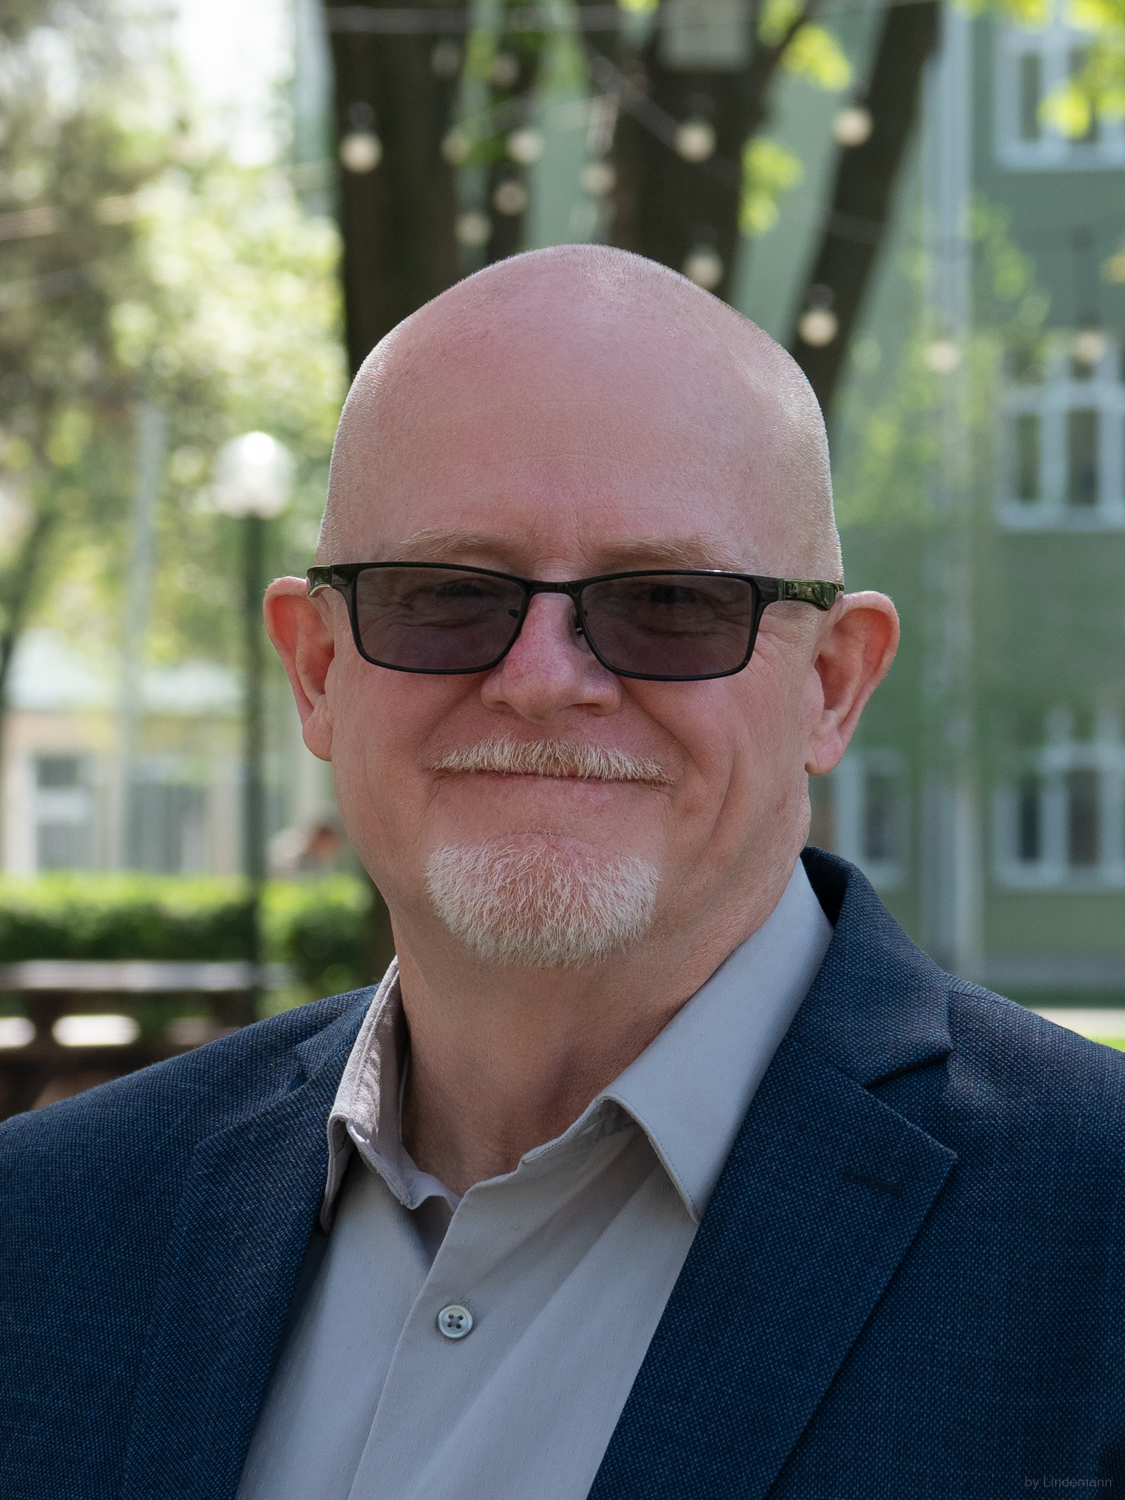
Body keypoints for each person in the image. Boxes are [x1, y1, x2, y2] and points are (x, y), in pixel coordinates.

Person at [2, 246, 1123, 1500]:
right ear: (317, 671)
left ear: (831, 684)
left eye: (668, 603)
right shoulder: (43, 1228)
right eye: (443, 596)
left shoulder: (1099, 1230)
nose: (541, 679)